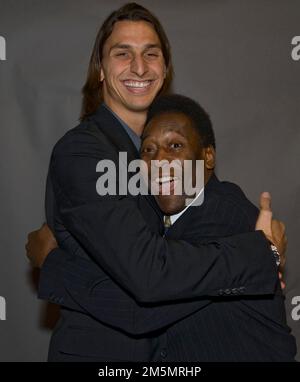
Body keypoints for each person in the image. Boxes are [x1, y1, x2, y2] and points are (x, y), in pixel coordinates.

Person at [26, 3, 286, 362]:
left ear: (164, 69)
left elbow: (208, 236)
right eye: (123, 54)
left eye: (151, 54)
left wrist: (54, 264)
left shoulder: (176, 151)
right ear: (100, 70)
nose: (139, 67)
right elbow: (149, 279)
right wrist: (261, 255)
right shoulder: (82, 153)